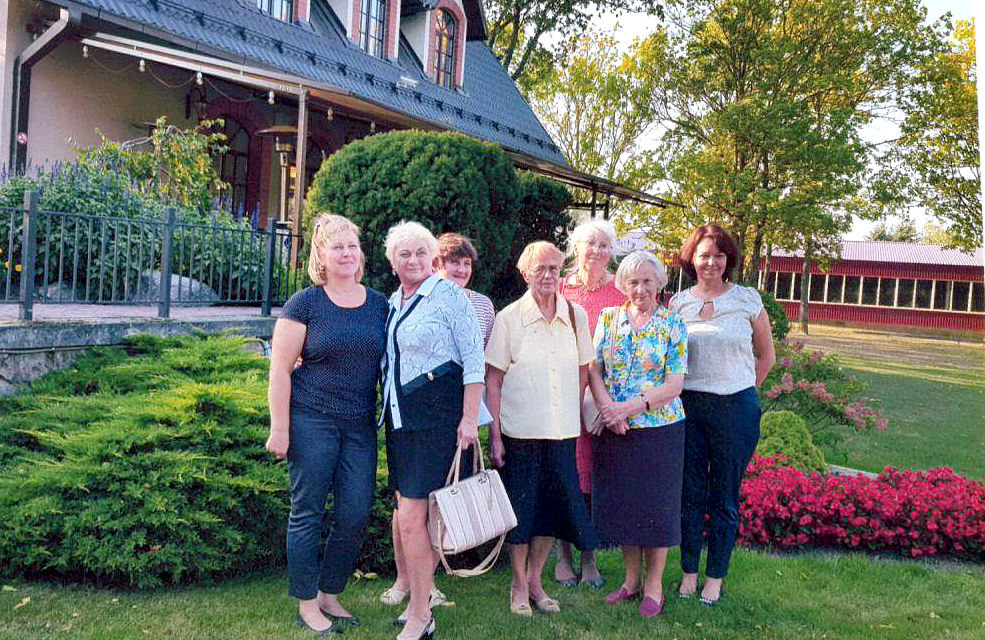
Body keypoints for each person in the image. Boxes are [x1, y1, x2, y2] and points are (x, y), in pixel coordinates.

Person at [266, 213, 389, 634]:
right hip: (311, 420)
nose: (347, 253)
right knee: (308, 512)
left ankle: (329, 593)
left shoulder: (379, 304)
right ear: (321, 255)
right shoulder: (305, 303)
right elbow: (280, 369)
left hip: (359, 426)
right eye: (337, 247)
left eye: (352, 246)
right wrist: (280, 427)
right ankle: (307, 603)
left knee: (355, 513)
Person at [381, 221, 487, 640]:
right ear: (392, 262)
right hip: (401, 421)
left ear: (432, 258)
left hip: (436, 421)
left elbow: (474, 361)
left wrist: (469, 419)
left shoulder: (449, 296)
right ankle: (418, 603)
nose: (413, 260)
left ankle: (421, 615)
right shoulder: (395, 300)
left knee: (412, 518)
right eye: (404, 254)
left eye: (420, 253)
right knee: (411, 518)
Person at [485, 241, 599, 616]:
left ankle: (536, 580)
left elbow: (584, 370)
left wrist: (572, 412)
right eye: (540, 269)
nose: (548, 275)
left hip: (562, 432)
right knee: (521, 513)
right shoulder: (508, 318)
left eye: (554, 268)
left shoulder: (575, 316)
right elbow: (493, 381)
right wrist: (496, 435)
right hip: (520, 433)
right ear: (525, 274)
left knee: (551, 510)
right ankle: (518, 585)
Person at [668, 224, 776, 605]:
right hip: (689, 408)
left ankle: (714, 578)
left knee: (724, 497)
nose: (711, 262)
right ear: (692, 260)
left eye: (718, 255)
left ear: (728, 259)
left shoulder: (747, 299)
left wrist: (742, 388)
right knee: (690, 494)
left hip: (735, 408)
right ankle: (688, 574)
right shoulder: (678, 304)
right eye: (704, 255)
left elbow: (767, 356)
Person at [588, 251, 688, 618]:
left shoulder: (673, 324)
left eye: (647, 281)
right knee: (626, 507)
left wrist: (628, 408)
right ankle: (631, 581)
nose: (640, 288)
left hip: (659, 428)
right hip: (615, 427)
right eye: (633, 281)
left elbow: (674, 383)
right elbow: (594, 369)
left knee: (656, 509)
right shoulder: (608, 318)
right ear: (622, 285)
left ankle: (654, 587)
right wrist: (607, 409)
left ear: (660, 283)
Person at [556, 219, 626, 588]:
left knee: (593, 480)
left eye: (603, 245)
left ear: (611, 252)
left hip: (603, 400)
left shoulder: (621, 291)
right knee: (564, 473)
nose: (596, 251)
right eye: (590, 243)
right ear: (576, 248)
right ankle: (562, 556)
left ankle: (590, 557)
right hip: (561, 396)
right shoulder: (560, 287)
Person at [437, 232, 496, 346]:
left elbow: (490, 353)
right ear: (437, 265)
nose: (462, 270)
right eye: (455, 262)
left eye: (467, 263)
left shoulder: (483, 305)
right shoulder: (420, 302)